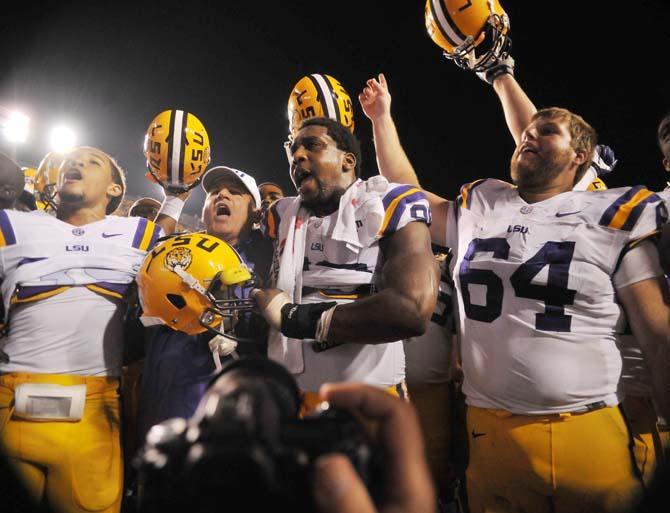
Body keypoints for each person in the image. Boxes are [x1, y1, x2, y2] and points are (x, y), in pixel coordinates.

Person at [361, 75, 670, 511]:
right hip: (489, 431)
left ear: (581, 156)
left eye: (548, 131)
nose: (529, 134)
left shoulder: (612, 212)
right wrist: (382, 120)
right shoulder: (481, 201)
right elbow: (409, 197)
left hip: (588, 430)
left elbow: (659, 336)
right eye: (528, 130)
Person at [0, 146, 164, 513]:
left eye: (92, 162)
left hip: (94, 409)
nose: (76, 163)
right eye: (71, 161)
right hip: (9, 399)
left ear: (115, 190)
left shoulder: (140, 233)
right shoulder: (13, 224)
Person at [252, 116, 438, 412]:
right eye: (294, 151)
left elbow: (412, 310)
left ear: (347, 161)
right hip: (292, 397)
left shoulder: (388, 202)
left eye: (313, 145)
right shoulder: (280, 215)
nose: (298, 156)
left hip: (369, 399)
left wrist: (294, 318)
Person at [137, 165, 272, 437]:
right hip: (163, 393)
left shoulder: (269, 259)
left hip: (227, 404)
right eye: (213, 193)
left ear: (255, 212)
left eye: (234, 192)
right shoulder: (172, 252)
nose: (221, 195)